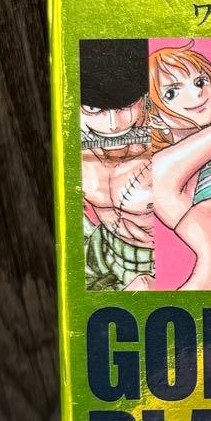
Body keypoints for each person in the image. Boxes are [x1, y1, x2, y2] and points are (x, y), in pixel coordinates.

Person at [148, 44, 211, 290]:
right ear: (153, 115)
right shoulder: (160, 169)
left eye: (200, 82)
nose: (197, 94)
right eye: (172, 93)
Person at [79, 39, 156, 291]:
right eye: (93, 108)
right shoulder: (74, 154)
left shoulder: (166, 145)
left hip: (159, 267)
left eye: (124, 106)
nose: (113, 125)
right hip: (102, 259)